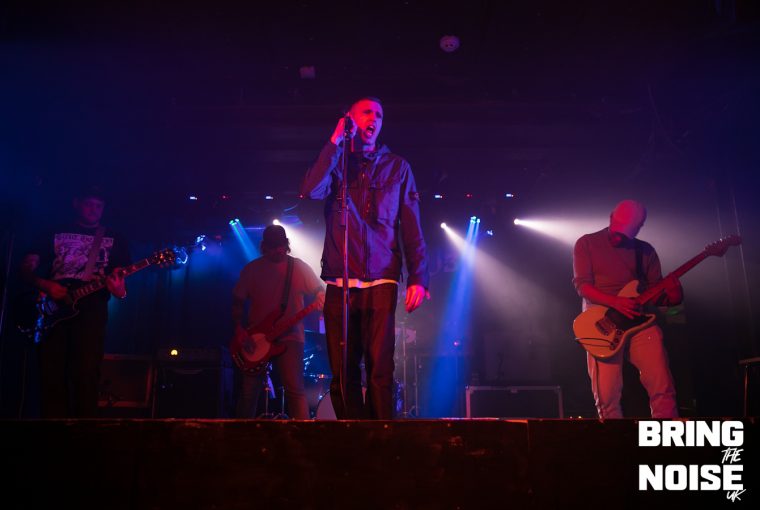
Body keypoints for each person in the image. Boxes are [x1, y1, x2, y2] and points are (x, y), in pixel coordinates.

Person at [300, 96, 430, 419]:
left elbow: (411, 225)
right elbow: (310, 190)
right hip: (340, 281)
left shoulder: (398, 167)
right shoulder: (337, 163)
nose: (374, 118)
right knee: (343, 373)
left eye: (379, 115)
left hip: (381, 280)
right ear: (350, 119)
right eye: (367, 112)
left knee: (379, 370)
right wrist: (334, 142)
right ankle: (352, 436)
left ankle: (381, 437)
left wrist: (419, 277)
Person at [20, 186, 130, 418]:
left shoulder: (116, 238)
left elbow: (120, 285)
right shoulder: (54, 231)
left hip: (92, 310)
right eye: (89, 204)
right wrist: (45, 285)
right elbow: (25, 269)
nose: (94, 210)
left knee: (87, 372)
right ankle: (52, 428)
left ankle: (84, 429)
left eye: (99, 206)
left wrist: (119, 291)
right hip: (54, 306)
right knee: (51, 371)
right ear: (77, 204)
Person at [572, 199, 682, 419]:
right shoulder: (586, 243)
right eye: (616, 231)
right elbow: (583, 286)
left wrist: (674, 295)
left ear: (638, 229)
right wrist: (615, 302)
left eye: (623, 235)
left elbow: (656, 294)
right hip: (602, 323)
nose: (617, 238)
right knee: (607, 396)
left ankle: (666, 432)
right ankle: (614, 438)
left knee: (662, 384)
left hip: (639, 322)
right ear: (611, 217)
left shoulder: (646, 251)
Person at [231, 224, 325, 419]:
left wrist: (320, 296)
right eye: (273, 247)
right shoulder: (252, 269)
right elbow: (237, 302)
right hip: (256, 340)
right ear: (264, 246)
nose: (278, 250)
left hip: (290, 338)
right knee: (249, 393)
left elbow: (319, 290)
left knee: (295, 390)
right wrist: (239, 329)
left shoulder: (298, 267)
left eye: (281, 246)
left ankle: (303, 433)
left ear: (287, 244)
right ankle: (240, 434)